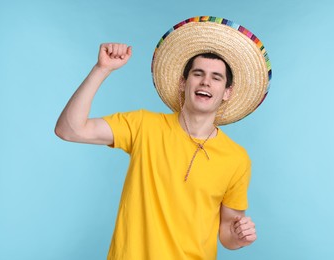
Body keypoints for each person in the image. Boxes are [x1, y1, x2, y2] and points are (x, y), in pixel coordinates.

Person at [55, 16, 271, 260]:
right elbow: (69, 129)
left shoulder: (237, 158)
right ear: (183, 82)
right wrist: (101, 69)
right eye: (197, 74)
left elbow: (227, 233)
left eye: (216, 77)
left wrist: (238, 236)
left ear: (227, 92)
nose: (206, 82)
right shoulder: (143, 126)